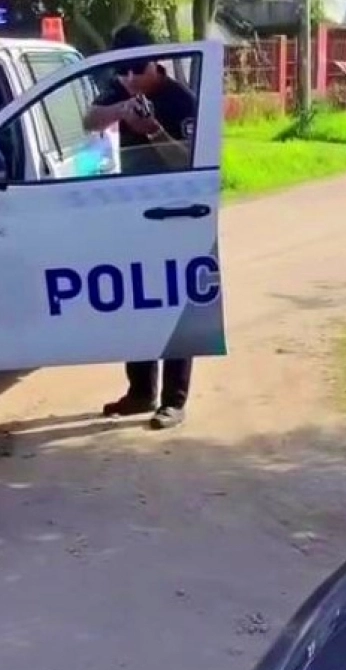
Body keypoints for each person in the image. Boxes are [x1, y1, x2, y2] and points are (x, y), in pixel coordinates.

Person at [84, 24, 198, 430]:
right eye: (123, 72)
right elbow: (89, 120)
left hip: (176, 212)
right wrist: (120, 112)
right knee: (137, 300)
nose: (128, 78)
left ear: (155, 64)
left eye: (136, 71)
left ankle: (173, 400)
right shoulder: (123, 86)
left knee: (175, 305)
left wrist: (153, 132)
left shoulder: (180, 99)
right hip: (132, 210)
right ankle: (139, 391)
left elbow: (188, 163)